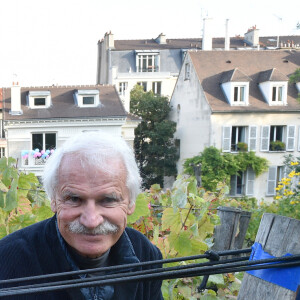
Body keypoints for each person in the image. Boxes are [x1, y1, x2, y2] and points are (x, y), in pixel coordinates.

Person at [0, 131, 163, 300]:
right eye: (74, 199)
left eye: (108, 200)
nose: (91, 221)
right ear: (53, 200)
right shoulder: (6, 262)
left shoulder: (145, 254)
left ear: (130, 203)